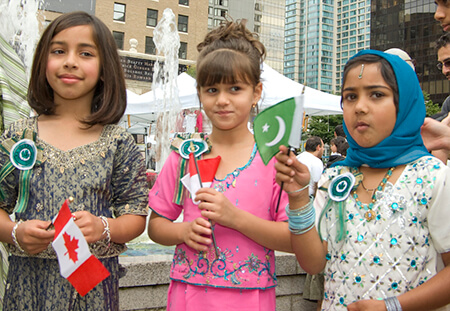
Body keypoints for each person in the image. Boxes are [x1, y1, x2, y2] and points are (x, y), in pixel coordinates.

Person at [275, 50, 450, 310]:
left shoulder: (432, 176)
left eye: (377, 94)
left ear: (404, 104)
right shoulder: (334, 177)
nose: (360, 106)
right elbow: (313, 263)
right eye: (350, 97)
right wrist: (299, 197)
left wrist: (392, 306)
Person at [0, 12, 148, 310]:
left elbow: (135, 217)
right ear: (43, 62)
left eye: (85, 53)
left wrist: (104, 227)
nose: (70, 61)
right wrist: (14, 232)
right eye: (58, 51)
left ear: (105, 68)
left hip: (92, 290)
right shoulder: (18, 137)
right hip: (29, 288)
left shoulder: (119, 143)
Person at [147, 20, 291, 311]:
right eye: (212, 90)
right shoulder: (186, 153)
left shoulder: (275, 158)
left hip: (252, 298)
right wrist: (182, 232)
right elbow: (156, 225)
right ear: (199, 93)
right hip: (190, 294)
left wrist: (235, 218)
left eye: (235, 88)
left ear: (256, 92)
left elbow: (292, 238)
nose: (222, 100)